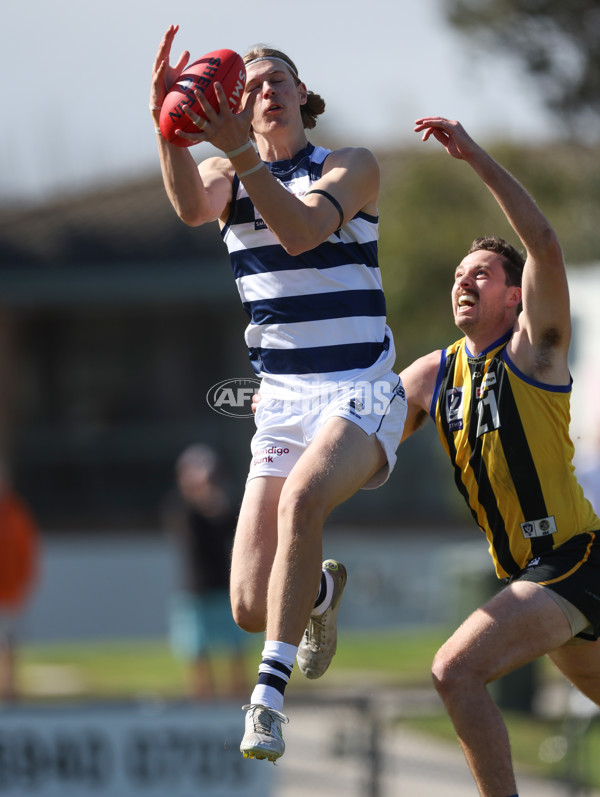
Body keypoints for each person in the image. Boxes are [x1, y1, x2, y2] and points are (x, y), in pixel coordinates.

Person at [150, 26, 407, 761]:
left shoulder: (349, 165)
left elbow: (298, 233)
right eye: (253, 84)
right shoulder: (225, 178)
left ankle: (265, 702)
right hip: (284, 397)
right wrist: (167, 124)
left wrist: (230, 149)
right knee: (246, 605)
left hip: (360, 384)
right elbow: (187, 206)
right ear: (239, 105)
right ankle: (320, 596)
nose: (269, 91)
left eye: (279, 80)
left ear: (302, 96)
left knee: (303, 500)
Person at [398, 116, 600, 797]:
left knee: (454, 670)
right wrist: (288, 418)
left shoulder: (535, 349)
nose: (464, 281)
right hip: (528, 574)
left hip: (573, 559)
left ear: (514, 295)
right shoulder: (434, 374)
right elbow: (357, 442)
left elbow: (542, 240)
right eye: (458, 274)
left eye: (480, 272)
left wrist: (475, 156)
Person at [162, 444, 249, 700]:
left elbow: (233, 530)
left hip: (225, 589)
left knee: (235, 650)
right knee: (196, 653)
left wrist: (217, 504)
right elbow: (191, 534)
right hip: (195, 591)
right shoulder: (179, 508)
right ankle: (202, 701)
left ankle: (238, 698)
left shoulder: (225, 506)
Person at [0, 462, 39, 703]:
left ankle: (10, 690)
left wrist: (24, 584)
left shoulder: (17, 513)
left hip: (10, 593)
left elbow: (28, 551)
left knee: (9, 644)